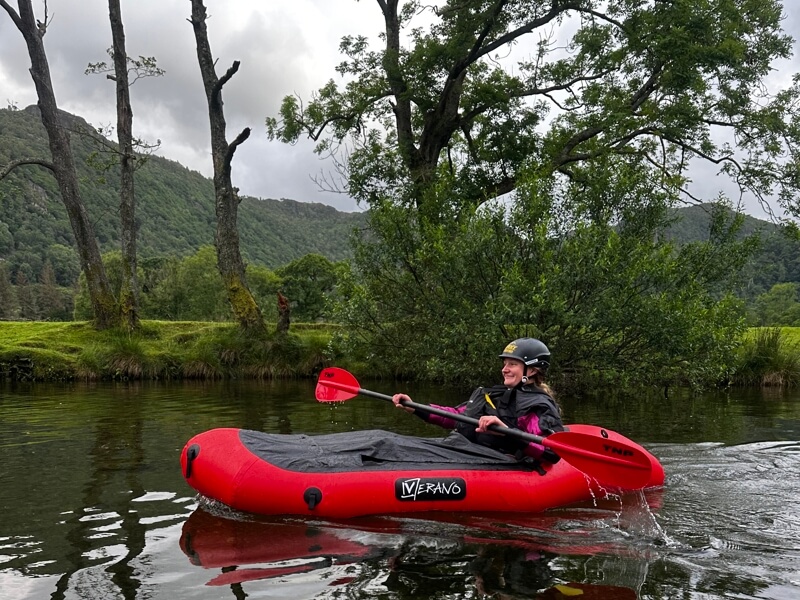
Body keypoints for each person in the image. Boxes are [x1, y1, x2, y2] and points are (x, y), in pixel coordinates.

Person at [392, 338, 564, 463]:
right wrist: (415, 407)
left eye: (512, 364)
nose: (504, 369)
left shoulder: (537, 405)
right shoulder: (494, 395)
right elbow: (456, 416)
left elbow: (549, 452)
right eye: (505, 364)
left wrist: (505, 431)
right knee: (388, 442)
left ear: (532, 370)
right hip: (468, 451)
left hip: (499, 462)